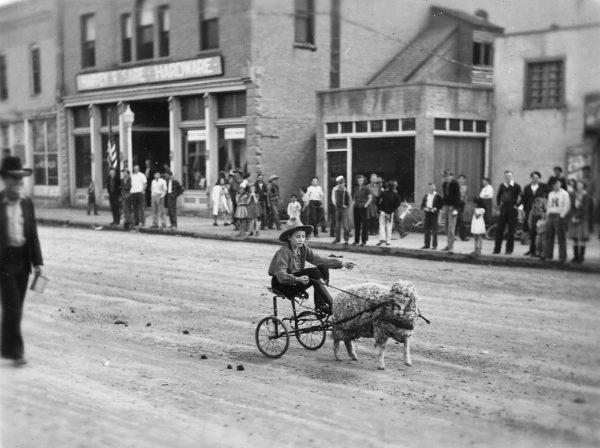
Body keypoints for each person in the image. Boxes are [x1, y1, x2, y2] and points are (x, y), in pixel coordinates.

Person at [0, 156, 44, 367]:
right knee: (13, 307)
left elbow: (32, 234)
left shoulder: (27, 203)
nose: (17, 185)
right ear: (5, 181)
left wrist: (38, 262)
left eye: (20, 181)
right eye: (13, 181)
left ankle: (7, 347)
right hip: (4, 263)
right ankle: (16, 352)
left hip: (23, 261)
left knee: (15, 307)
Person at [268, 218, 354, 315]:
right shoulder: (284, 252)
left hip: (294, 281)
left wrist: (341, 263)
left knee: (322, 267)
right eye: (298, 237)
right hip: (282, 285)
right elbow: (281, 275)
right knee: (313, 272)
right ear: (289, 238)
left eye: (303, 237)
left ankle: (321, 305)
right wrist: (297, 279)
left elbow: (319, 259)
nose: (301, 240)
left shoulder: (303, 248)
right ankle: (332, 304)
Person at [493, 170, 522, 255]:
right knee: (499, 229)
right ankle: (497, 249)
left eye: (509, 176)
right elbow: (498, 196)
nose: (507, 178)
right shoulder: (502, 186)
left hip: (512, 208)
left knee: (511, 230)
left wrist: (517, 205)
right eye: (506, 176)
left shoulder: (516, 186)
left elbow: (522, 197)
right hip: (504, 208)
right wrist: (499, 205)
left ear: (512, 177)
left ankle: (509, 250)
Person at [522, 171, 549, 255]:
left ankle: (540, 250)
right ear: (531, 178)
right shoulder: (527, 187)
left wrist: (545, 207)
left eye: (537, 177)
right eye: (533, 177)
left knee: (539, 232)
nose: (535, 179)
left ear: (539, 178)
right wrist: (523, 210)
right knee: (531, 230)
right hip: (530, 212)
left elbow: (548, 196)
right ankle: (532, 249)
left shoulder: (543, 187)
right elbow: (524, 200)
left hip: (540, 214)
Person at [543, 178, 570, 262]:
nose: (556, 186)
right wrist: (547, 214)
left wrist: (562, 215)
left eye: (557, 184)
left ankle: (562, 256)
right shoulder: (551, 194)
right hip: (551, 214)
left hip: (559, 215)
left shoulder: (564, 193)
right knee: (549, 236)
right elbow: (549, 205)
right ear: (552, 186)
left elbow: (566, 205)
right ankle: (548, 255)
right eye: (554, 185)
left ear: (560, 184)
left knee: (561, 236)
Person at [568, 180, 593, 263]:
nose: (579, 187)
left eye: (581, 185)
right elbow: (571, 206)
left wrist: (578, 216)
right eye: (578, 185)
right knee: (575, 238)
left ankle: (581, 257)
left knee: (582, 238)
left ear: (583, 186)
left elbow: (586, 208)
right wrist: (573, 216)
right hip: (574, 218)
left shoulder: (586, 196)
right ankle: (575, 256)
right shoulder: (573, 195)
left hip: (583, 219)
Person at [441, 170, 461, 253]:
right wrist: (442, 206)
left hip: (453, 207)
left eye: (447, 176)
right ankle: (448, 244)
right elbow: (445, 196)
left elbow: (457, 197)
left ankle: (451, 247)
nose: (446, 178)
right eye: (444, 176)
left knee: (451, 227)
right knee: (446, 227)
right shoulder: (444, 185)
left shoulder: (455, 184)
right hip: (446, 207)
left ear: (451, 176)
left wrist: (455, 208)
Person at [376, 181, 401, 246]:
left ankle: (382, 238)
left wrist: (380, 209)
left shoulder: (383, 193)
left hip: (383, 212)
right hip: (390, 212)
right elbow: (398, 203)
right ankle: (388, 241)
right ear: (393, 187)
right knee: (389, 226)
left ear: (387, 186)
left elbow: (377, 201)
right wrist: (392, 209)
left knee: (382, 225)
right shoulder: (395, 194)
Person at [420, 182, 442, 250]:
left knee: (435, 229)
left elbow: (441, 205)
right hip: (427, 213)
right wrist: (424, 208)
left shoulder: (437, 196)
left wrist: (436, 208)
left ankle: (434, 245)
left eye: (432, 187)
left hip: (434, 213)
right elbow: (422, 205)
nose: (431, 188)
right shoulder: (426, 195)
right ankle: (427, 244)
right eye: (430, 187)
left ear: (435, 188)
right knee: (427, 229)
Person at [352, 174, 372, 246]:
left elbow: (370, 198)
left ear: (363, 181)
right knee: (356, 224)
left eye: (361, 180)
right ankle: (356, 240)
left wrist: (366, 205)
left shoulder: (366, 188)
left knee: (364, 224)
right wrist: (353, 204)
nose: (360, 182)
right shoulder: (356, 188)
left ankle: (363, 241)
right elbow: (354, 198)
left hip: (363, 207)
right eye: (358, 181)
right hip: (356, 207)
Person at [331, 176, 351, 244]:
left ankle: (346, 239)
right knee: (337, 225)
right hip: (337, 208)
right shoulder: (335, 189)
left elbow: (349, 200)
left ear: (344, 183)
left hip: (344, 209)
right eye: (339, 183)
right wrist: (335, 204)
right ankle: (337, 239)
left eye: (342, 183)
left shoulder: (346, 190)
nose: (340, 185)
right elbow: (333, 198)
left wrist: (347, 206)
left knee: (345, 225)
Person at [456, 174, 469, 241]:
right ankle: (463, 236)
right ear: (458, 180)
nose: (461, 180)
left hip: (462, 203)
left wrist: (465, 204)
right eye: (460, 178)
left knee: (458, 219)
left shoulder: (465, 187)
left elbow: (466, 196)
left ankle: (454, 235)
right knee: (461, 220)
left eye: (463, 179)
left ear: (465, 180)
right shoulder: (456, 186)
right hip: (456, 203)